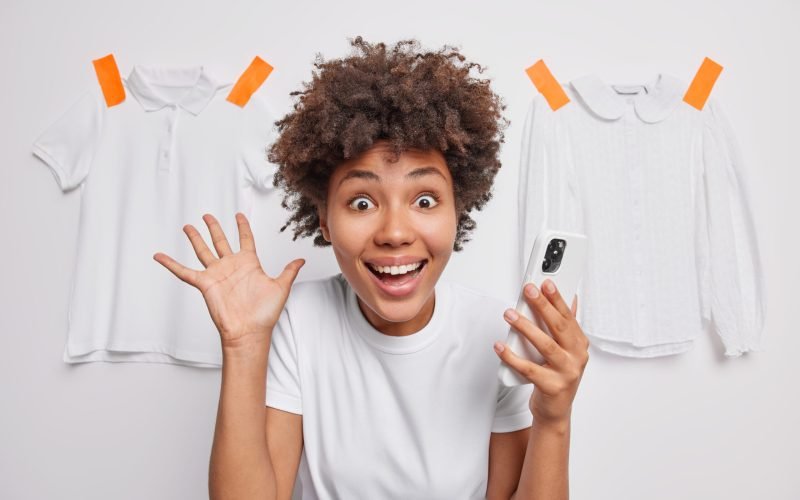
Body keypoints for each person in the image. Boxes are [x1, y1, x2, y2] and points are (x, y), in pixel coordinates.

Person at [154, 36, 590, 500]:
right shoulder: (296, 322)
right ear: (324, 217)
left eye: (425, 200)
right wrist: (243, 347)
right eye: (362, 202)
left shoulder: (498, 335)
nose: (395, 232)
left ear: (457, 212)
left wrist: (554, 418)